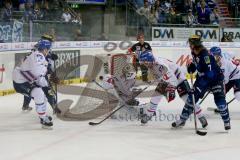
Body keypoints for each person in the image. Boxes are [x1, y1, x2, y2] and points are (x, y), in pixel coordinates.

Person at [172, 35, 231, 130]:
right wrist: (192, 66)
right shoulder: (194, 52)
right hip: (203, 78)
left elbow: (210, 74)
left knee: (219, 101)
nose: (189, 45)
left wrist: (198, 86)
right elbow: (197, 63)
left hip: (215, 79)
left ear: (194, 45)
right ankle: (182, 120)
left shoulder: (205, 55)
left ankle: (226, 120)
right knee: (191, 98)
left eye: (190, 43)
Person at [137, 50, 207, 125]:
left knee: (187, 98)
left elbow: (172, 79)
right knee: (156, 95)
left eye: (145, 62)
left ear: (149, 60)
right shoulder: (152, 62)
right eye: (143, 62)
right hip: (167, 80)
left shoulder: (160, 65)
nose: (144, 64)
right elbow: (161, 76)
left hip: (179, 78)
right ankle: (149, 114)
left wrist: (171, 90)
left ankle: (200, 116)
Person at [13, 39, 54, 129]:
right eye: (48, 49)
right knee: (39, 93)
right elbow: (37, 73)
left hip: (25, 80)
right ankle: (43, 119)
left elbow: (37, 73)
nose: (49, 51)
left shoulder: (37, 54)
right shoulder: (39, 56)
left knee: (42, 96)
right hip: (21, 82)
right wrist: (46, 82)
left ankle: (43, 115)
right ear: (45, 49)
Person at [21, 34, 61, 114]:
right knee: (47, 89)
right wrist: (51, 72)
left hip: (32, 72)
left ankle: (25, 105)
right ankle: (54, 107)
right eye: (51, 41)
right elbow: (40, 58)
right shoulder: (41, 46)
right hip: (37, 71)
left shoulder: (41, 45)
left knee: (32, 89)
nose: (51, 43)